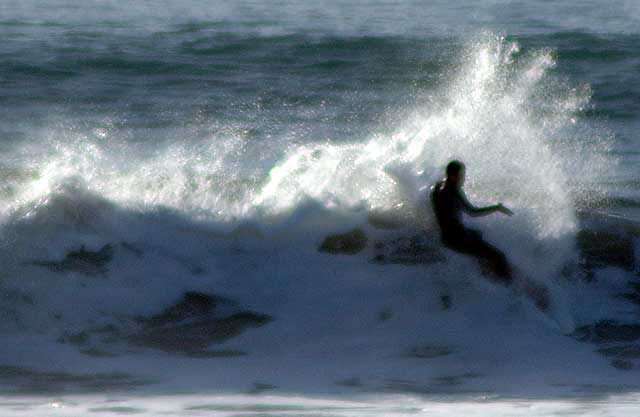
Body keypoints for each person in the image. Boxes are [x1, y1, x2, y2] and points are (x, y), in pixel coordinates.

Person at [430, 160, 514, 285]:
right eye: (462, 175)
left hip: (446, 237)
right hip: (458, 239)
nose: (464, 178)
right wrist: (496, 208)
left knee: (477, 235)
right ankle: (509, 286)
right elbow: (473, 212)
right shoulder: (454, 191)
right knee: (498, 256)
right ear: (453, 177)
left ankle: (485, 269)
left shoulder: (437, 188)